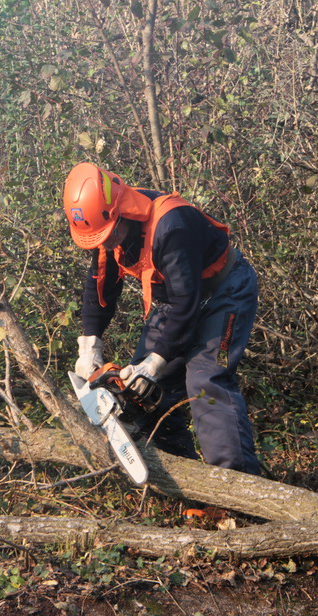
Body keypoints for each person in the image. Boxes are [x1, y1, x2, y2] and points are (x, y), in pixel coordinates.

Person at [64, 162, 260, 475]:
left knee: (206, 379)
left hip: (225, 291)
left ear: (121, 211)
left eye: (108, 235)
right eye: (98, 239)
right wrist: (90, 344)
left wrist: (155, 363)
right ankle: (182, 476)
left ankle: (238, 481)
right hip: (177, 300)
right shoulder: (107, 234)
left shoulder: (171, 225)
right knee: (144, 391)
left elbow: (187, 302)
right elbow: (100, 285)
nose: (106, 243)